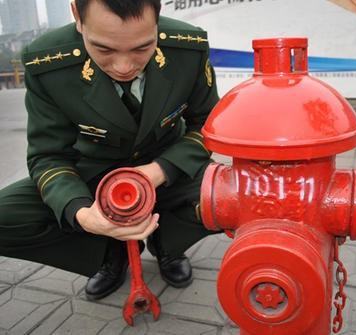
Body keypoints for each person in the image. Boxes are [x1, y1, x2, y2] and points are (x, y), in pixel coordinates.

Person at [0, 0, 219, 301]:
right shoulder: (48, 63)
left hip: (169, 169)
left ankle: (168, 243)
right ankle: (107, 252)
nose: (124, 67)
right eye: (104, 49)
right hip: (93, 177)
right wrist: (82, 214)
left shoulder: (187, 48)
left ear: (157, 18)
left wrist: (159, 171)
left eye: (142, 48)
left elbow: (208, 126)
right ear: (78, 16)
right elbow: (48, 155)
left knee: (245, 195)